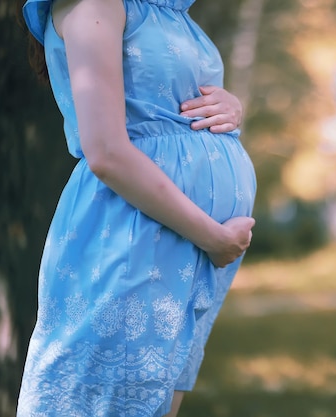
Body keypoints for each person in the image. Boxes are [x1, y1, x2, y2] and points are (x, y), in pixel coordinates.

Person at [18, 0, 257, 416]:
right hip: (135, 234)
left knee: (153, 403)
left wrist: (230, 108)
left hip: (185, 246)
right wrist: (214, 237)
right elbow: (106, 151)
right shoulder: (95, 3)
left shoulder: (168, 12)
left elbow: (172, 103)